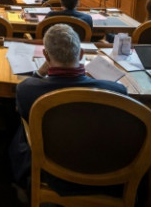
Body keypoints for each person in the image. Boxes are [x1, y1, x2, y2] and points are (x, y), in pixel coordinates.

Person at [10, 24, 127, 185]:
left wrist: (38, 74)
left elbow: (22, 112)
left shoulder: (27, 90)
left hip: (50, 170)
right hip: (104, 170)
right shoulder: (117, 92)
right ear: (81, 54)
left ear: (46, 56)